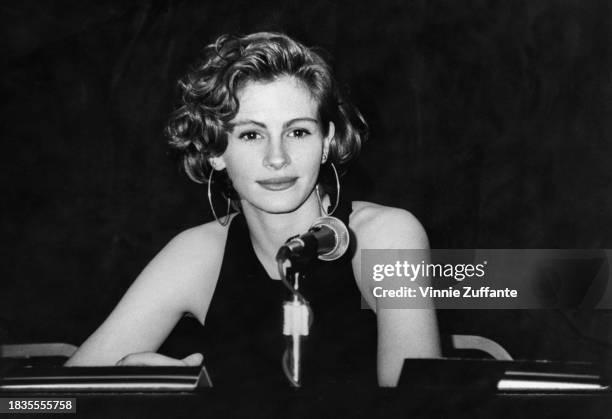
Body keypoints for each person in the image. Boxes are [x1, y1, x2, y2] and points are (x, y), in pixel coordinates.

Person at [65, 32, 441, 387]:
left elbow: (419, 405)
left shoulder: (387, 236)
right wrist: (130, 395)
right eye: (250, 135)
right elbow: (46, 400)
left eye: (297, 132)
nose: (277, 158)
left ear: (326, 142)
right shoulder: (196, 253)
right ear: (215, 152)